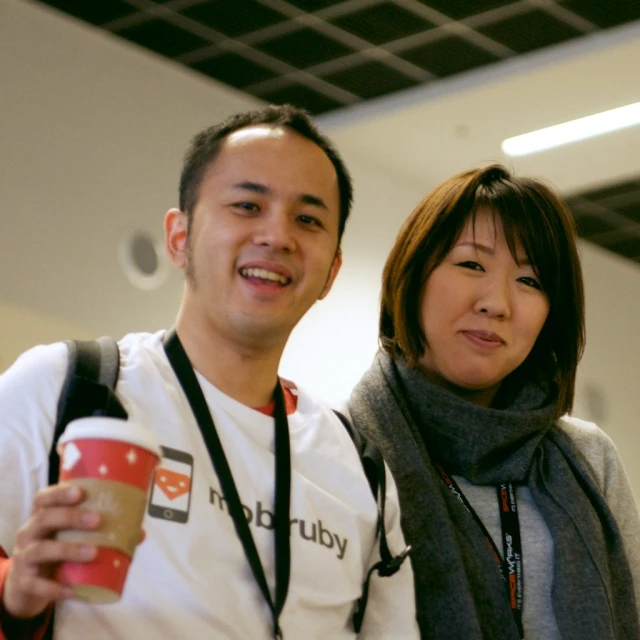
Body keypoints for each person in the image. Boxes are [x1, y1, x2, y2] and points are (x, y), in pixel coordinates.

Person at [0, 105, 418, 640]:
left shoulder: (358, 467)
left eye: (308, 219)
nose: (277, 236)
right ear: (179, 237)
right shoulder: (72, 387)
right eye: (247, 205)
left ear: (331, 271)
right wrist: (16, 596)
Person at [348, 164, 640, 640]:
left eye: (530, 281)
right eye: (471, 264)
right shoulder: (345, 446)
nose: (498, 302)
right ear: (413, 273)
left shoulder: (587, 456)